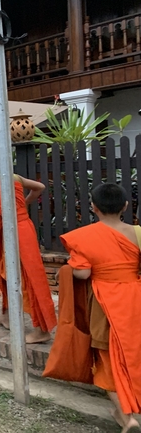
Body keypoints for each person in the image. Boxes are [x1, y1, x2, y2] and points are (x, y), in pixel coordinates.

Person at [51, 183, 141, 431]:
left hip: (105, 302)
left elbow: (82, 273)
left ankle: (127, 415)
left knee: (107, 356)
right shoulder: (138, 232)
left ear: (93, 207)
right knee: (134, 351)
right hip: (135, 298)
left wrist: (65, 270)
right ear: (124, 206)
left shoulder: (85, 236)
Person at [0, 156, 56, 344]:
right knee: (8, 273)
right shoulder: (14, 178)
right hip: (25, 228)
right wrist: (22, 206)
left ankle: (42, 330)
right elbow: (39, 188)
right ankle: (7, 316)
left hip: (12, 234)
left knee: (26, 278)